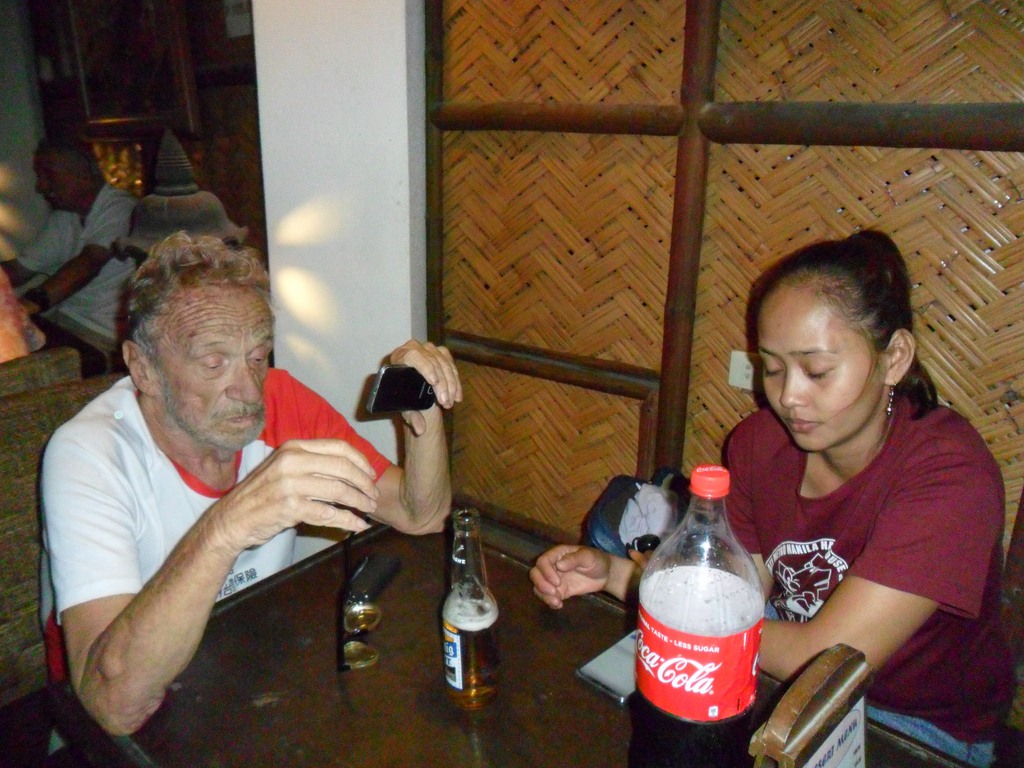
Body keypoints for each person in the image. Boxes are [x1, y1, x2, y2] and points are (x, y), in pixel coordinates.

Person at [530, 231, 1013, 767]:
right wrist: (616, 573)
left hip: (907, 724)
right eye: (774, 368)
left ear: (895, 357)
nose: (787, 396)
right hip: (773, 672)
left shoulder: (952, 477)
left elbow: (826, 659)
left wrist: (658, 604)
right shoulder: (759, 443)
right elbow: (734, 596)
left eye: (817, 371)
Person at [40, 232, 461, 735]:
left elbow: (420, 514)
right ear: (142, 369)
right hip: (120, 711)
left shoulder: (279, 400)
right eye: (213, 363)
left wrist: (424, 408)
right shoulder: (89, 453)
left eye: (258, 356)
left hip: (247, 665)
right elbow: (115, 704)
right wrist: (228, 526)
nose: (247, 389)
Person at [3, 138, 137, 374]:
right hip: (61, 324)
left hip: (101, 338)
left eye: (48, 175)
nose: (40, 187)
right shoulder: (64, 217)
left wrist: (27, 305)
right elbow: (19, 270)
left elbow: (89, 263)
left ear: (83, 173)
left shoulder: (121, 208)